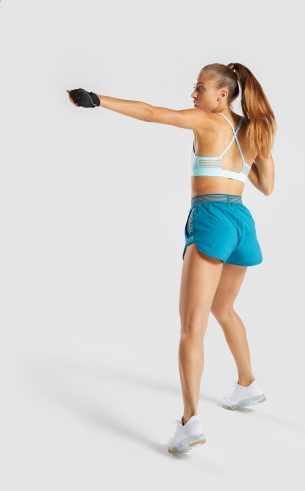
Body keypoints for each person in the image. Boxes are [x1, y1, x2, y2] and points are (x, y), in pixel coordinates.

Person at [66, 62, 276, 454]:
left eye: (200, 87)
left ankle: (189, 421)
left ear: (222, 95)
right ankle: (248, 385)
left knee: (191, 327)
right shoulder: (252, 130)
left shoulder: (206, 120)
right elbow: (267, 185)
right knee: (223, 309)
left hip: (212, 218)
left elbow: (151, 113)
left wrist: (99, 99)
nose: (193, 94)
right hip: (241, 223)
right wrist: (243, 156)